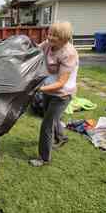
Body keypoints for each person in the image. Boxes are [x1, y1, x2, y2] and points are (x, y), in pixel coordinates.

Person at [29, 21, 79, 167]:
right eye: (49, 33)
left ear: (64, 38)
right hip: (48, 89)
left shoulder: (68, 54)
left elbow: (61, 83)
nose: (49, 37)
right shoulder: (48, 44)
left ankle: (44, 158)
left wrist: (38, 89)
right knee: (51, 118)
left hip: (62, 94)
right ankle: (62, 137)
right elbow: (34, 51)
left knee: (47, 125)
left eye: (54, 35)